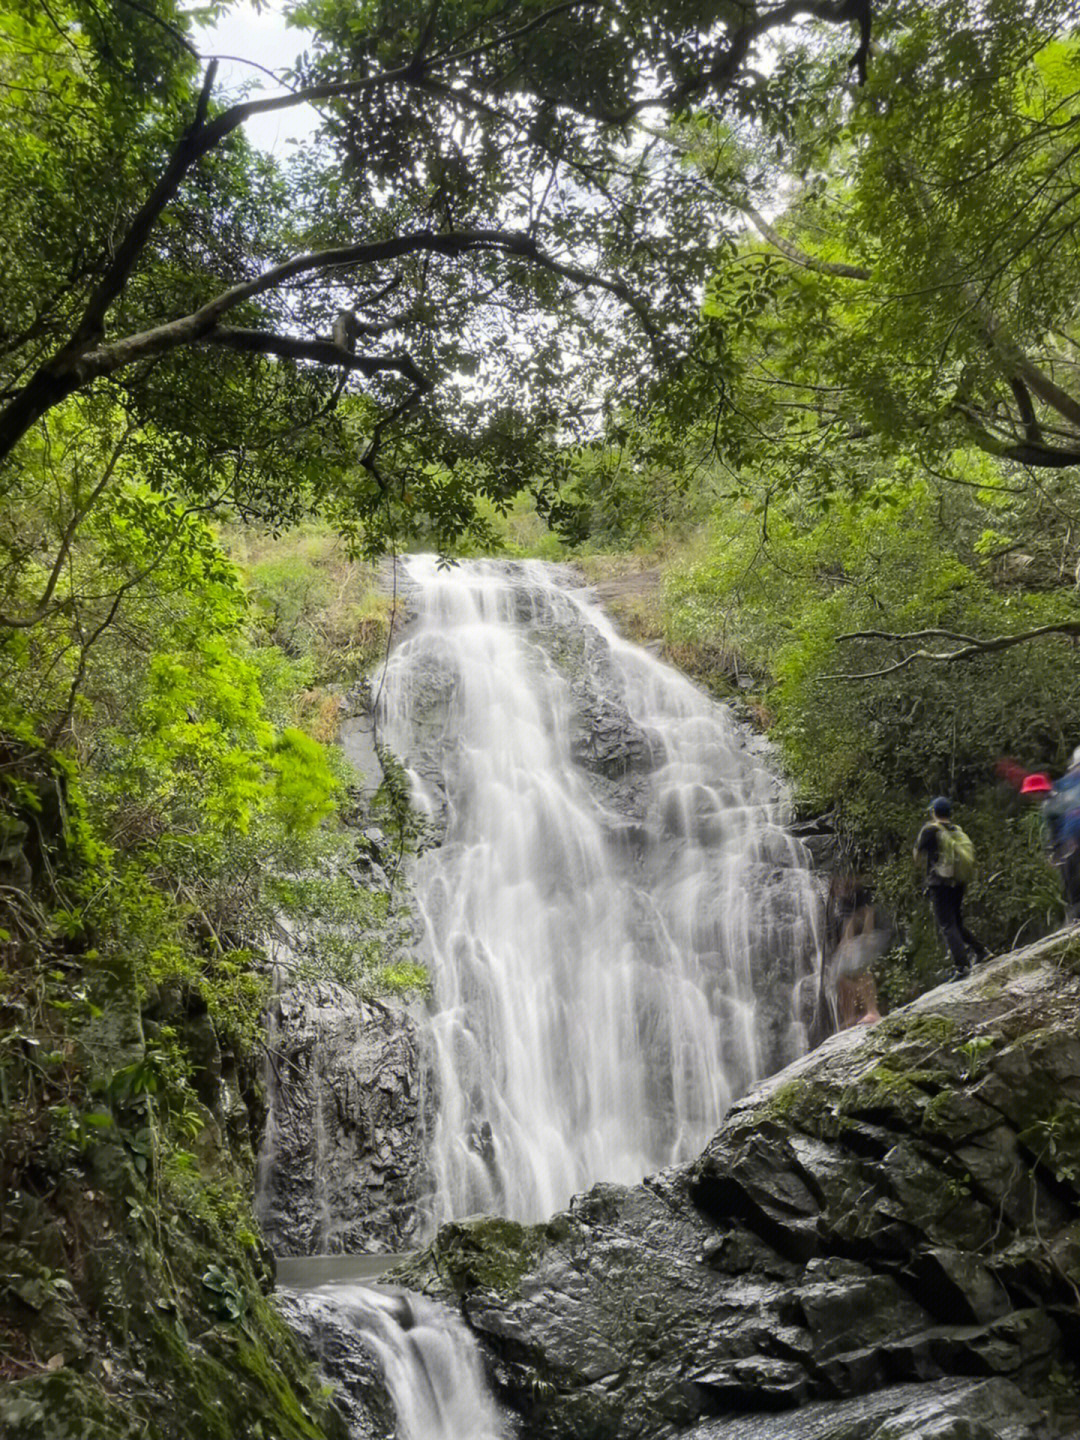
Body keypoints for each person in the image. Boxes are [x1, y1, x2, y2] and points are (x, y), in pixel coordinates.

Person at [913, 796, 988, 978]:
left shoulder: (930, 830)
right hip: (958, 882)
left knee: (947, 925)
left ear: (933, 812)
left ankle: (962, 966)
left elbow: (917, 856)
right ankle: (981, 951)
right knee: (956, 922)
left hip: (939, 883)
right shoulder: (956, 830)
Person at [1044, 749, 1080, 921]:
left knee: (1072, 882)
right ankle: (1074, 917)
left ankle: (1074, 916)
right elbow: (1052, 817)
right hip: (1070, 841)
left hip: (1070, 841)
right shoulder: (1063, 785)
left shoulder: (1063, 785)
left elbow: (1052, 817)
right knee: (1071, 883)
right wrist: (1054, 845)